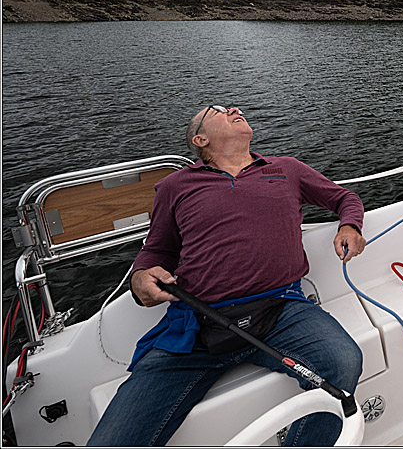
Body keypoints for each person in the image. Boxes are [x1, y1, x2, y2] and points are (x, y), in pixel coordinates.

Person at [88, 104, 366, 446]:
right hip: (197, 326)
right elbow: (157, 250)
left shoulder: (287, 169)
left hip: (281, 310)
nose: (234, 109)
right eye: (218, 111)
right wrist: (140, 278)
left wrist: (350, 225)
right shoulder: (175, 186)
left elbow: (343, 197)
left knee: (343, 362)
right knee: (115, 440)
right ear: (200, 139)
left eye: (233, 108)